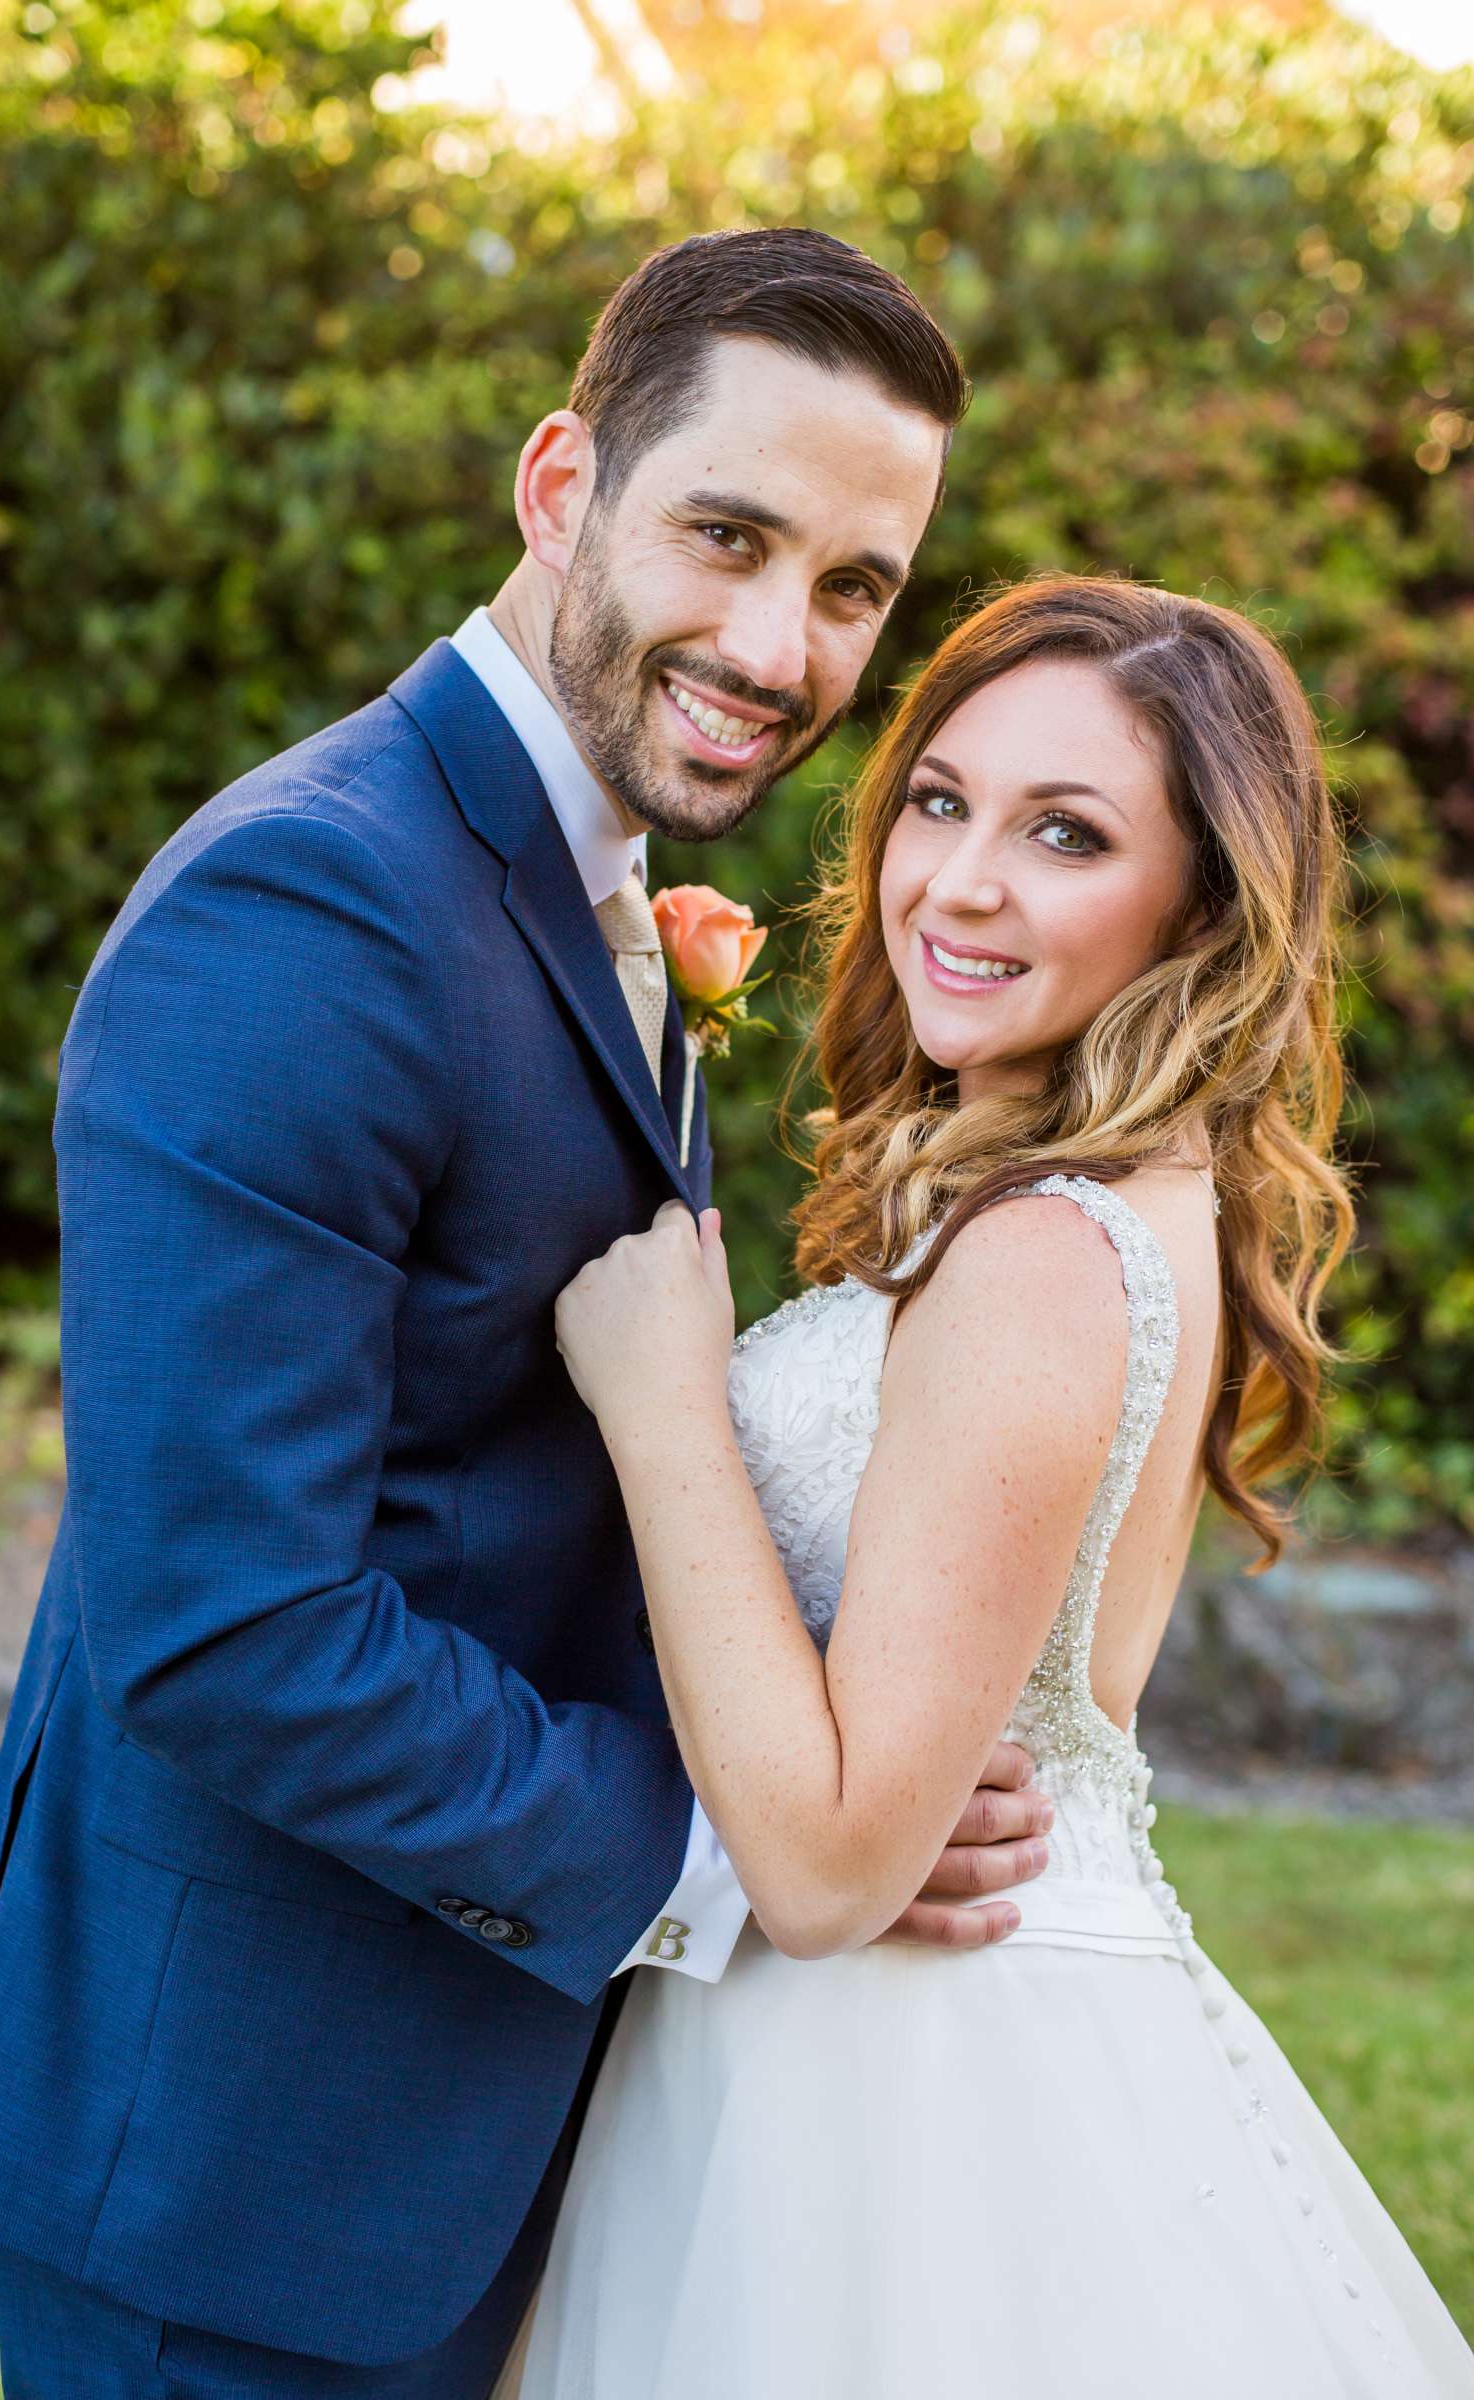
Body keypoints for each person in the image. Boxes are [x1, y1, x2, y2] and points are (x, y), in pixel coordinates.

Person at [0, 229, 1057, 2398]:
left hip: (453, 2121)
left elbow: (510, 1487)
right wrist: (743, 1847)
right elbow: (228, 1620)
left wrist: (847, 1761)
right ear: (558, 484)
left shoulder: (577, 875)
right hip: (237, 2176)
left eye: (848, 587)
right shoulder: (313, 901)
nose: (773, 641)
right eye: (724, 533)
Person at [517, 574, 1474, 2397]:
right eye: (941, 800)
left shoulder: (1047, 1252)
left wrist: (664, 1413)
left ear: (1201, 903)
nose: (959, 881)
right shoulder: (1118, 1197)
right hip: (871, 2036)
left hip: (917, 2084)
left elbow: (823, 1867)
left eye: (1067, 835)